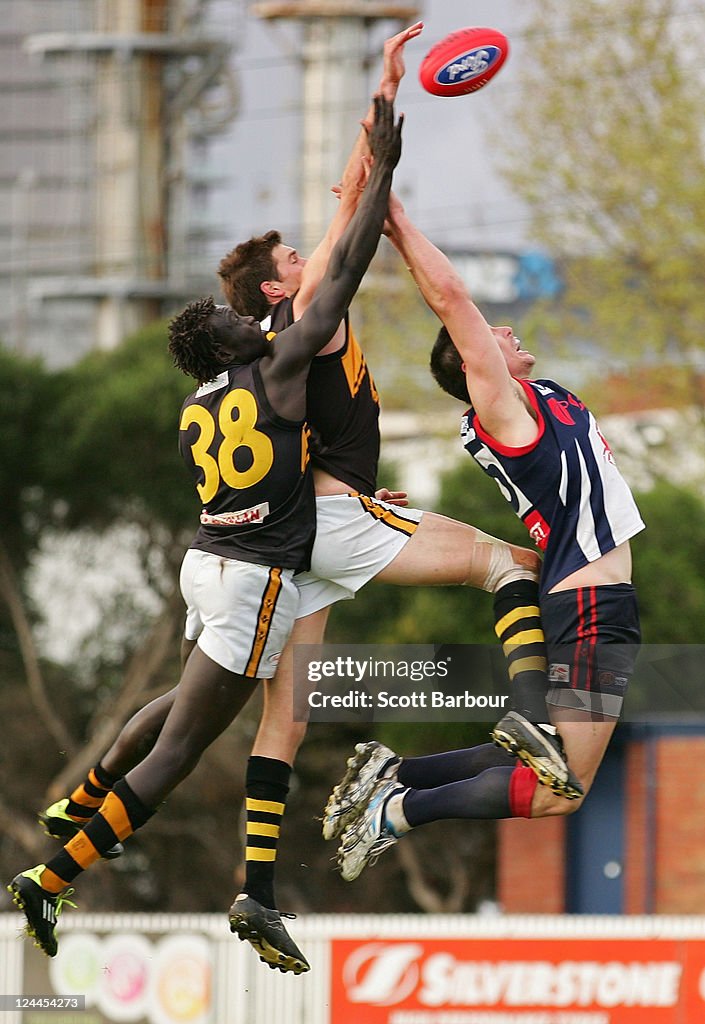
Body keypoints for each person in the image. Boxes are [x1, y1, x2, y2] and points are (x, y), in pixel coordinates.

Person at [7, 93, 403, 963]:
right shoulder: (279, 367)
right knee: (185, 745)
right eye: (240, 322)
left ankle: (81, 804)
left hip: (209, 563)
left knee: (181, 705)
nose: (253, 324)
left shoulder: (201, 397)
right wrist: (384, 169)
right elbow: (346, 269)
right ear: (237, 337)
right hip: (254, 576)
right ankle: (54, 875)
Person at [329, 191, 645, 883]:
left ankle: (396, 774)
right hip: (592, 606)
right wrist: (397, 223)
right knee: (561, 786)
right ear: (475, 368)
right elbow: (448, 296)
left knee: (546, 764)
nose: (503, 329)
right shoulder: (499, 406)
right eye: (490, 335)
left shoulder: (547, 396)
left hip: (592, 602)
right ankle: (397, 809)